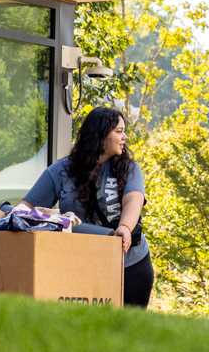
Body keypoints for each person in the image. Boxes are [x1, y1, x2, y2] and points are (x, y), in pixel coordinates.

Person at [21, 107, 154, 308]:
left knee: (128, 333)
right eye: (118, 131)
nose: (124, 137)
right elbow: (26, 207)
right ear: (100, 135)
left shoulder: (129, 168)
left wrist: (125, 227)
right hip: (83, 264)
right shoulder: (62, 170)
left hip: (130, 264)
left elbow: (133, 199)